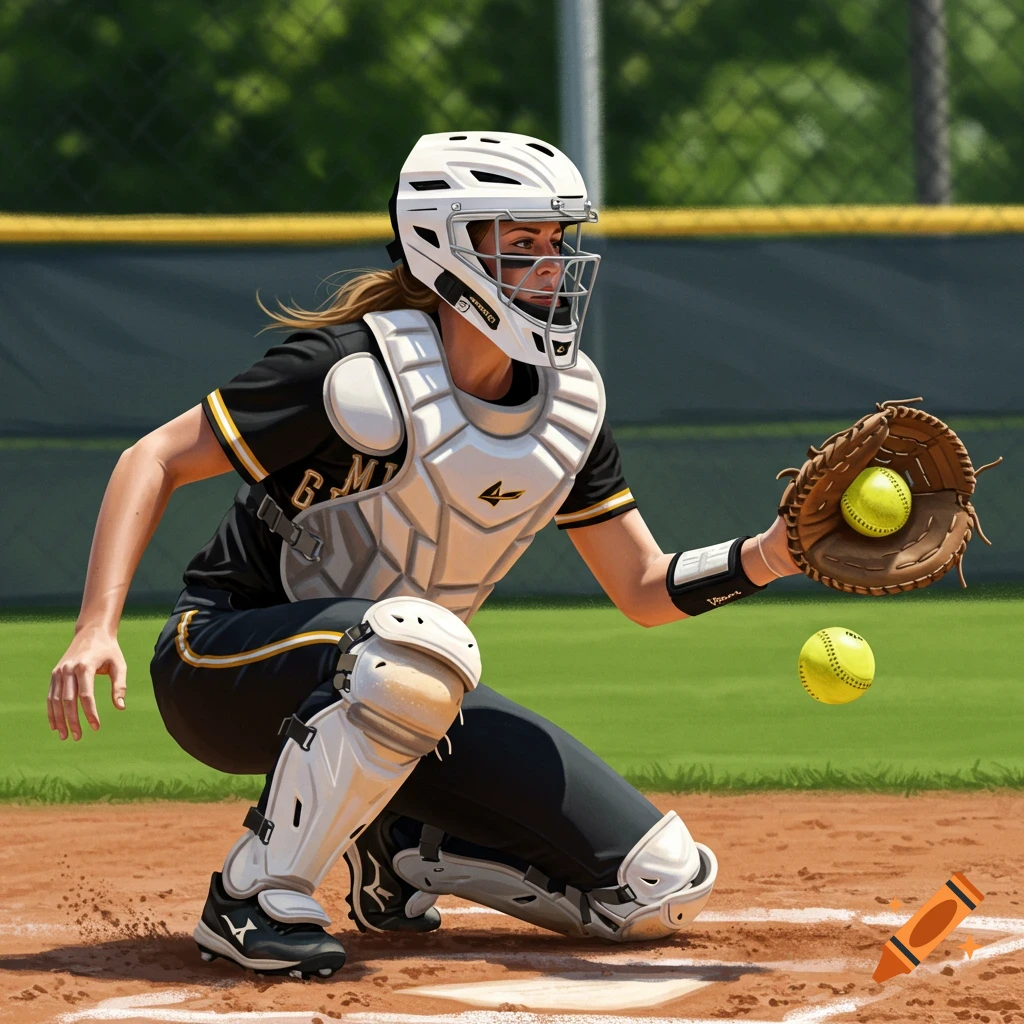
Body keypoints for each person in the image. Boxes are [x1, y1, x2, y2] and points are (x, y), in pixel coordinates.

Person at [48, 132, 800, 979]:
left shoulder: (569, 409)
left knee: (660, 886)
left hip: (406, 687)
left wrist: (772, 553)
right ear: (446, 248)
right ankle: (252, 896)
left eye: (556, 243)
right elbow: (152, 458)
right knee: (417, 644)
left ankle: (404, 848)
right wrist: (95, 626)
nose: (550, 266)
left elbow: (642, 587)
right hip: (222, 661)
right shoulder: (349, 376)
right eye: (522, 245)